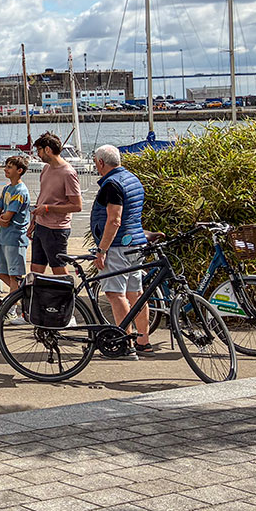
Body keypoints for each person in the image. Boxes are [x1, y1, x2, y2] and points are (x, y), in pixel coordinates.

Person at [91, 144, 153, 357]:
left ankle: (125, 343)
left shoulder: (112, 184)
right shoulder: (132, 179)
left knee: (115, 294)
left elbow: (114, 220)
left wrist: (101, 250)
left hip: (118, 245)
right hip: (136, 242)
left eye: (95, 163)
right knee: (135, 293)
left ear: (101, 163)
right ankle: (143, 340)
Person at [26, 132, 82, 275]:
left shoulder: (68, 173)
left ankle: (68, 297)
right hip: (41, 225)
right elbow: (43, 196)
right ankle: (40, 297)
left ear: (48, 150)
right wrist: (34, 221)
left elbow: (77, 206)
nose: (37, 154)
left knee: (59, 269)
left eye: (39, 150)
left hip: (56, 229)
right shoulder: (46, 168)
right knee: (35, 269)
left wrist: (47, 208)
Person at [0, 154, 31, 303]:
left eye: (9, 167)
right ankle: (22, 293)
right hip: (4, 237)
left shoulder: (21, 191)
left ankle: (12, 306)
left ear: (19, 170)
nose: (5, 169)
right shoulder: (7, 188)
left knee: (14, 275)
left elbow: (7, 217)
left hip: (15, 238)